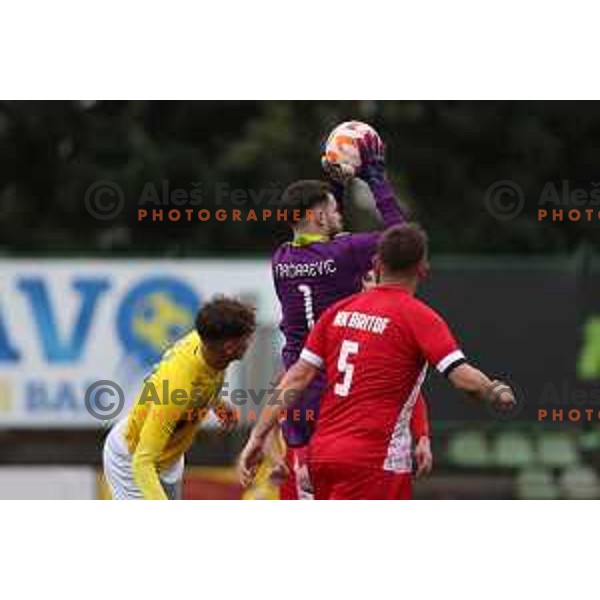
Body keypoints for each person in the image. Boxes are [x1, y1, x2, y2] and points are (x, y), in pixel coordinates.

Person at [240, 224, 516, 500]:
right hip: (374, 461)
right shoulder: (420, 317)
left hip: (323, 457)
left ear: (376, 263)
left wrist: (258, 434)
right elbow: (462, 377)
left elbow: (294, 379)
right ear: (423, 269)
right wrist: (492, 389)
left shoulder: (338, 311)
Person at [270, 133, 431, 498]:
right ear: (320, 215)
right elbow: (401, 237)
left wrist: (335, 188)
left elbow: (323, 241)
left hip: (297, 402)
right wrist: (375, 178)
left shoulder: (281, 260)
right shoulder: (346, 253)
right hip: (339, 403)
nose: (339, 213)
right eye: (333, 207)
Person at [103, 296, 256, 500]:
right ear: (229, 347)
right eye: (246, 338)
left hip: (168, 454)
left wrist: (217, 403)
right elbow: (142, 461)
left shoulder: (207, 345)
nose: (249, 342)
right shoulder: (177, 388)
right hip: (131, 459)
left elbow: (203, 380)